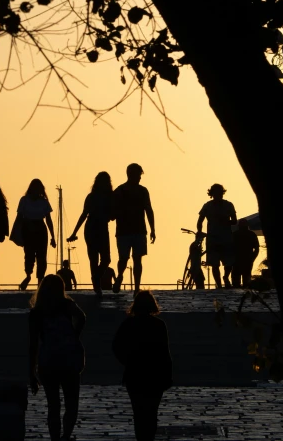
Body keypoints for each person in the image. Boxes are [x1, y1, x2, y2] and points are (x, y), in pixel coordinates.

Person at [29, 274, 86, 441]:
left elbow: (32, 344)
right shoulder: (67, 305)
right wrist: (75, 334)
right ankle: (66, 435)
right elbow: (82, 317)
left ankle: (54, 437)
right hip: (69, 359)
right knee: (71, 403)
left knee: (53, 405)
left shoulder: (37, 312)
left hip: (48, 361)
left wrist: (31, 372)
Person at [112, 290, 172, 441]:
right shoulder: (159, 325)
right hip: (155, 375)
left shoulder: (128, 324)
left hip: (134, 374)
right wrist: (168, 374)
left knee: (138, 413)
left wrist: (127, 361)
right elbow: (165, 352)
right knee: (152, 413)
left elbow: (116, 346)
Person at [67, 171, 114, 295]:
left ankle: (96, 277)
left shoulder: (110, 197)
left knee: (106, 259)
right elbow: (84, 214)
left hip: (102, 227)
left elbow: (113, 214)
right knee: (93, 258)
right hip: (92, 226)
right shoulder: (92, 197)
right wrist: (74, 232)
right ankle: (97, 286)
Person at [112, 163, 155, 294]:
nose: (140, 178)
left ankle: (135, 287)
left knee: (134, 259)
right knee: (126, 258)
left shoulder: (138, 191)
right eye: (138, 175)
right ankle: (121, 277)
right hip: (128, 230)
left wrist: (153, 228)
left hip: (134, 230)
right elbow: (148, 210)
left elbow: (148, 210)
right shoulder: (123, 191)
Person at [16, 179, 56, 291]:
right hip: (28, 229)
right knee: (29, 255)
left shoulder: (43, 201)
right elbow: (19, 218)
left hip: (40, 229)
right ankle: (28, 275)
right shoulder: (24, 200)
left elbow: (48, 220)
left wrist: (53, 237)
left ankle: (40, 280)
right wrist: (17, 233)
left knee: (41, 256)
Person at [196, 183, 237, 288]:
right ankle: (219, 284)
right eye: (216, 193)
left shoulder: (229, 205)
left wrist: (226, 222)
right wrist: (199, 231)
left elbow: (235, 220)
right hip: (212, 238)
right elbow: (200, 221)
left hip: (226, 237)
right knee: (214, 263)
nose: (219, 195)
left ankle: (225, 277)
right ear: (212, 194)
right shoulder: (207, 206)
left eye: (220, 193)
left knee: (229, 263)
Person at [232, 218, 260, 288]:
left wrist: (253, 258)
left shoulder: (235, 234)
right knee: (245, 279)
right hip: (243, 259)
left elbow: (256, 249)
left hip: (240, 259)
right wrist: (253, 258)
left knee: (241, 279)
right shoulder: (251, 234)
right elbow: (256, 249)